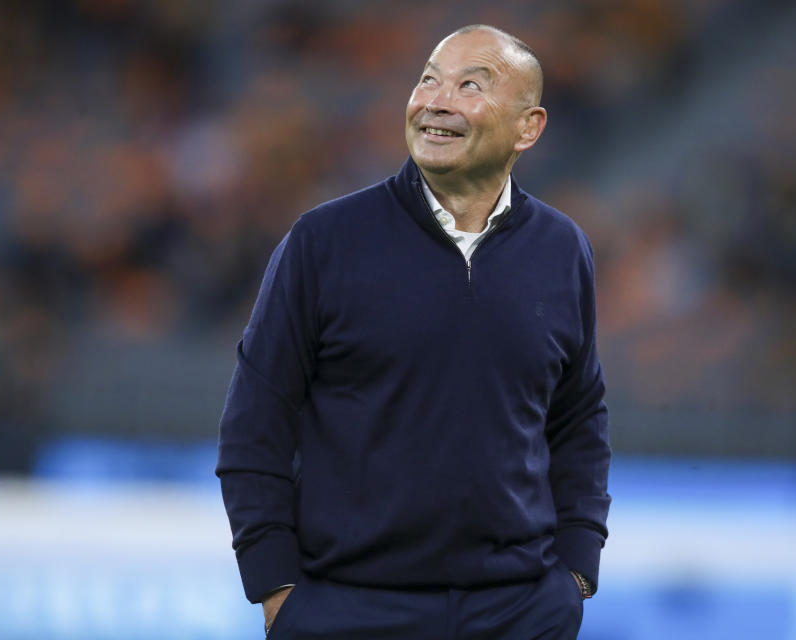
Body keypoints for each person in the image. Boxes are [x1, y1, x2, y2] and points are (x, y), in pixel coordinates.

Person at [216, 24, 611, 640]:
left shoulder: (563, 250)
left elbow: (579, 419)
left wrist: (576, 570)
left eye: (470, 85)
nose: (436, 100)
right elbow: (254, 421)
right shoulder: (324, 242)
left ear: (528, 127)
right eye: (428, 79)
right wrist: (276, 589)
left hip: (521, 612)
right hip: (347, 610)